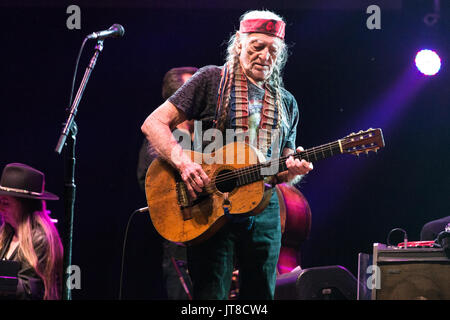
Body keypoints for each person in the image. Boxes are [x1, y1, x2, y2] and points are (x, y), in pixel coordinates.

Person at [141, 10, 313, 299]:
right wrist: (184, 164)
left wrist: (293, 171)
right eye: (257, 46)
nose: (265, 56)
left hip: (264, 208)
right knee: (210, 296)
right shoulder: (211, 79)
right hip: (210, 203)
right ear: (238, 43)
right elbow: (153, 123)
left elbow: (281, 168)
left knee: (261, 297)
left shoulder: (287, 103)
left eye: (273, 50)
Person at [137, 67, 198, 299]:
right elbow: (154, 190)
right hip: (181, 249)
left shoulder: (209, 133)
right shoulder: (159, 144)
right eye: (194, 90)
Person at [0, 163, 63, 300]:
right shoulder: (7, 234)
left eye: (5, 203)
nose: (0, 208)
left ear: (24, 205)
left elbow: (30, 290)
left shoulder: (40, 239)